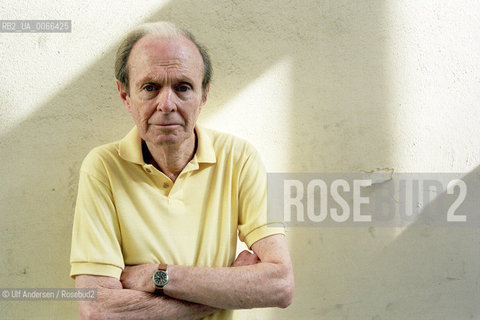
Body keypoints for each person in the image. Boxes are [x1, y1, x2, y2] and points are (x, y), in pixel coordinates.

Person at [70, 21, 294, 320]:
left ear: (203, 96)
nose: (166, 104)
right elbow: (97, 310)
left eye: (183, 87)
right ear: (125, 95)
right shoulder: (103, 168)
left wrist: (157, 277)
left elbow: (279, 286)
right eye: (150, 87)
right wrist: (225, 293)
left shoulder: (239, 158)